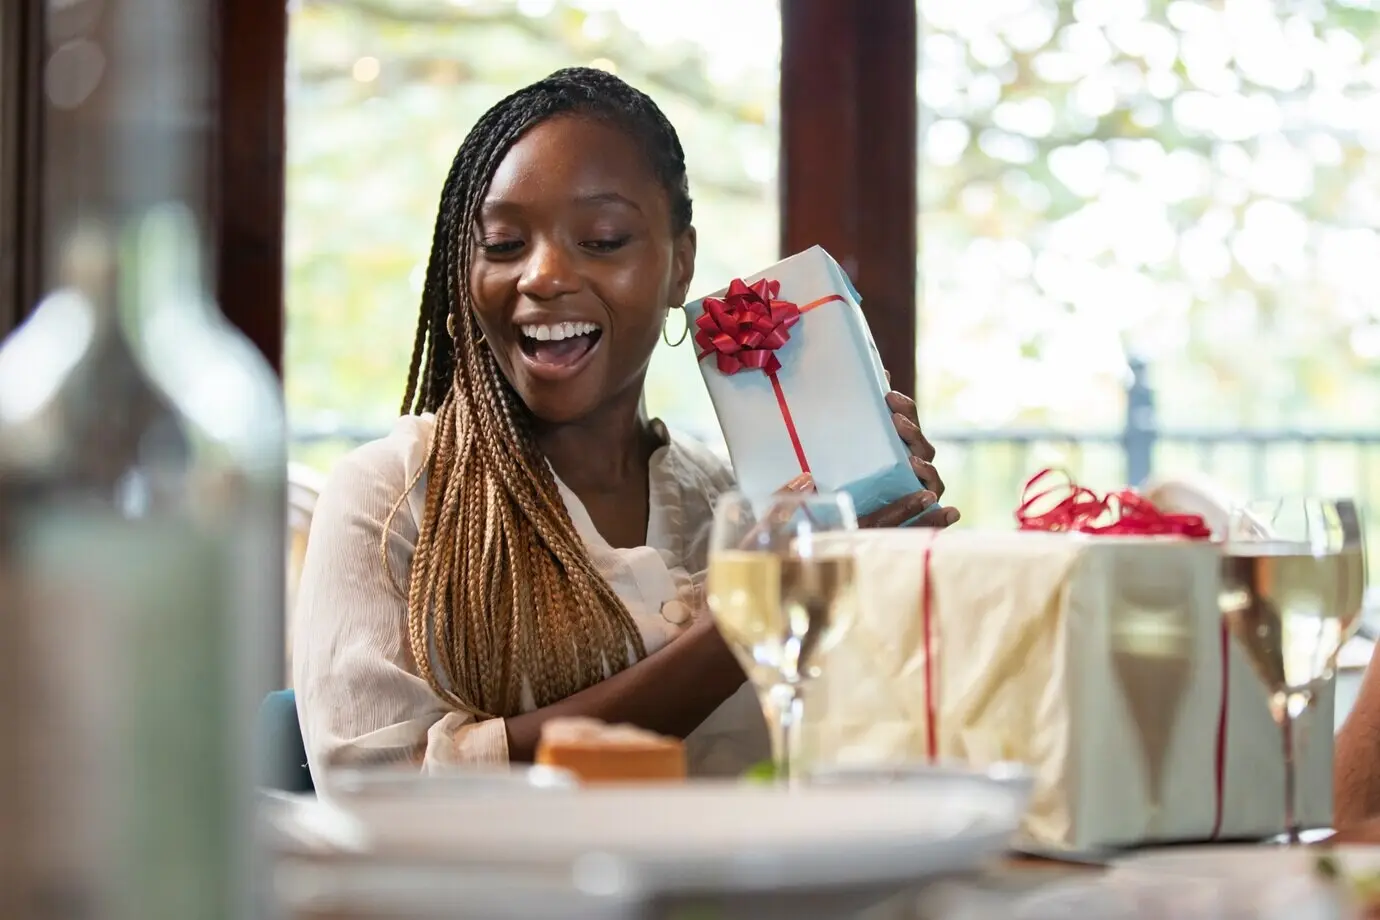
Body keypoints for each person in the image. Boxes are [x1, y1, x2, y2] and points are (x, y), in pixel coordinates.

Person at [293, 67, 959, 781]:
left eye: (604, 239)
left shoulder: (734, 501)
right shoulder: (391, 498)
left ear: (681, 267)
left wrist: (886, 556)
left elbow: (858, 747)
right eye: (505, 244)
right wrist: (736, 628)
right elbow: (377, 785)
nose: (543, 275)